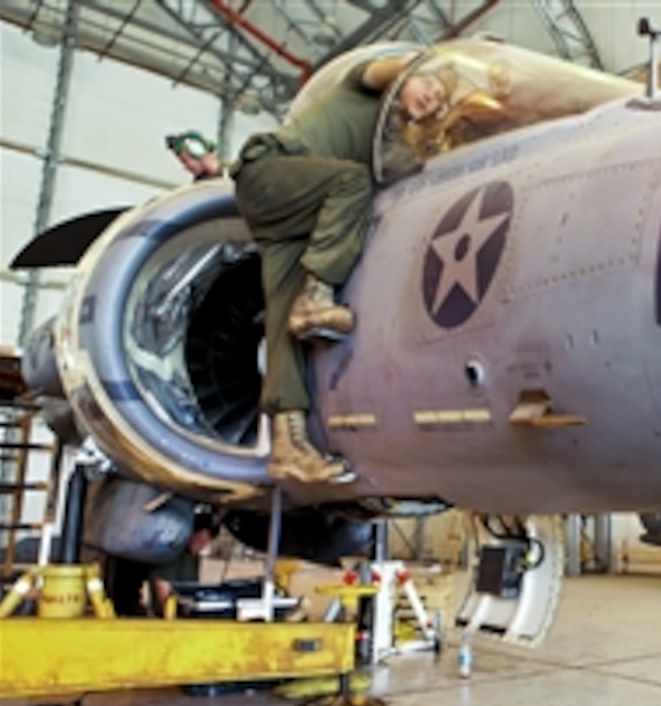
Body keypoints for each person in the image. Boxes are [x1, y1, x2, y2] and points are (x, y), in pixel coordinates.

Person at [230, 53, 445, 486]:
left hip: (297, 217)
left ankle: (288, 446)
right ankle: (317, 296)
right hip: (271, 172)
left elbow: (417, 170)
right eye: (430, 87)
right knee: (351, 182)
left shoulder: (390, 144)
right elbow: (380, 69)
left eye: (440, 98)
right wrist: (411, 73)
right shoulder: (361, 88)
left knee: (282, 325)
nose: (432, 97)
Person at [148, 511, 220, 616]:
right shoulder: (171, 554)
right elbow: (162, 588)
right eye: (200, 539)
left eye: (206, 542)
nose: (202, 545)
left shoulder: (193, 558)